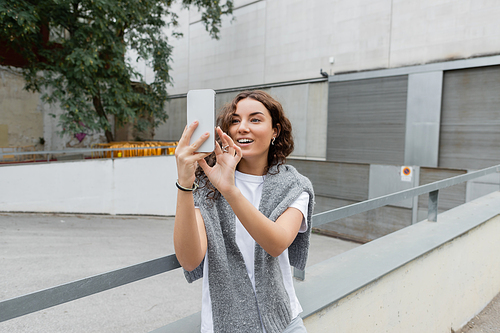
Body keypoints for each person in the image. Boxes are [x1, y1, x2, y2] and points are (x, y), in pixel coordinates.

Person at [174, 90, 315, 333]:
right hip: (225, 326)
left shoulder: (294, 184)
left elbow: (276, 243)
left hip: (284, 324)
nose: (242, 127)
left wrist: (230, 190)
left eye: (255, 119)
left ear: (275, 131)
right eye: (235, 120)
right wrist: (185, 184)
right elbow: (189, 260)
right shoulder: (207, 183)